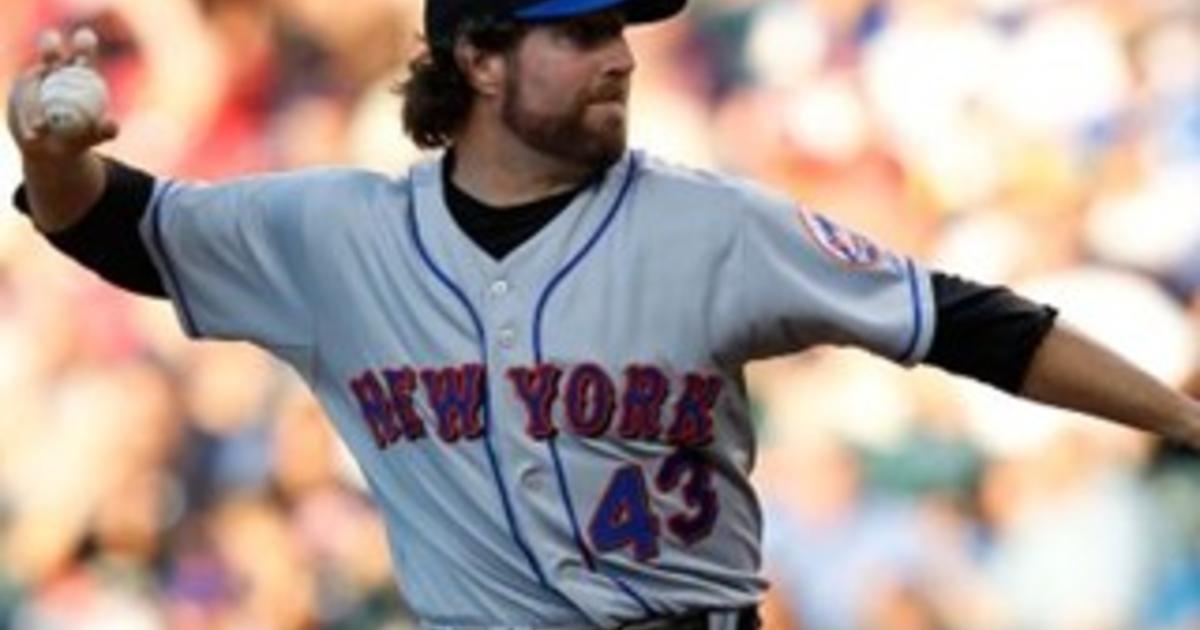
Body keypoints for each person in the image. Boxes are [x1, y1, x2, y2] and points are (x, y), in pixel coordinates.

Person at [7, 0, 1200, 627]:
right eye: (580, 34)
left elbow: (975, 323)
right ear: (478, 58)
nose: (619, 56)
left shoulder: (717, 227)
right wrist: (53, 157)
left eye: (620, 30)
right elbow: (119, 227)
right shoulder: (338, 235)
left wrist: (1182, 421)